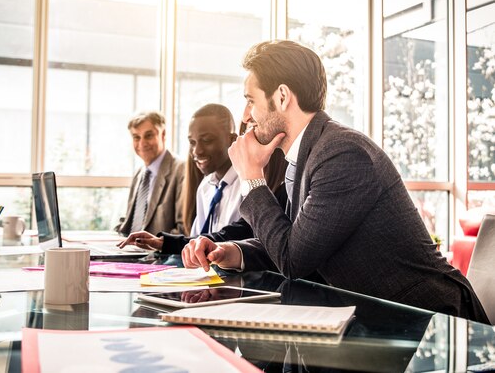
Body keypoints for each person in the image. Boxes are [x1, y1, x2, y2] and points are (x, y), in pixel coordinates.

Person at [181, 40, 489, 323]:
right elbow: (296, 240)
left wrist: (251, 178)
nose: (246, 115)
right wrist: (233, 251)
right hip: (373, 320)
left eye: (251, 100)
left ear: (283, 96)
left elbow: (293, 260)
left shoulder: (342, 153)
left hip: (429, 323)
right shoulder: (308, 155)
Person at [118, 104, 241, 253]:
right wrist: (161, 243)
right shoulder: (206, 187)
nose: (197, 151)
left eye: (207, 140)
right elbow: (195, 241)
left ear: (232, 139)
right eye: (192, 142)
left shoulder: (246, 186)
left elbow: (234, 238)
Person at [115, 111, 185, 236]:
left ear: (163, 135)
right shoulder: (140, 173)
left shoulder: (181, 170)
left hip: (157, 253)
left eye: (148, 136)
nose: (142, 143)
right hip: (130, 249)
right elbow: (129, 222)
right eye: (136, 137)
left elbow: (183, 229)